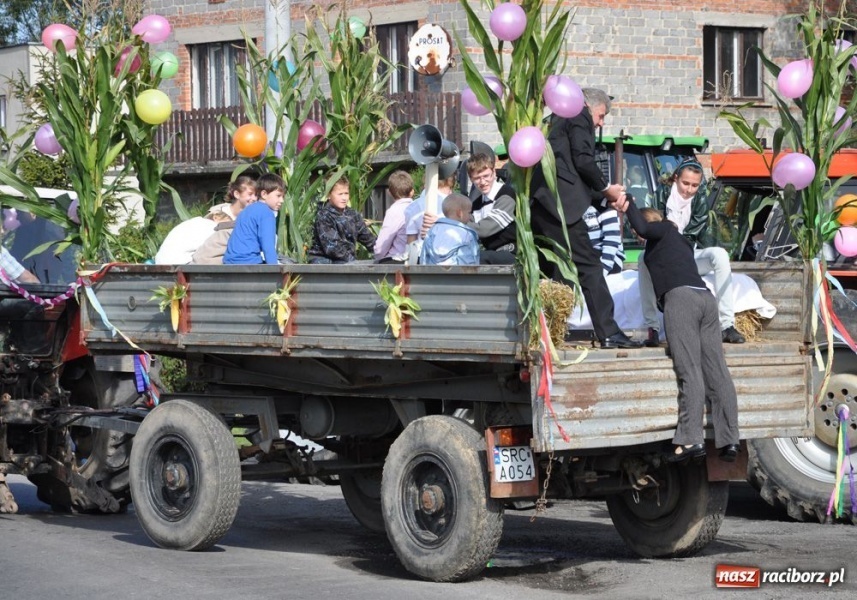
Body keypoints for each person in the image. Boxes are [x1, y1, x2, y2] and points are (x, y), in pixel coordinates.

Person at [623, 202, 740, 463]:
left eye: (635, 229)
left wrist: (627, 201)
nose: (636, 233)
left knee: (689, 371)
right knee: (716, 370)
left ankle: (690, 439)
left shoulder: (662, 230)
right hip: (706, 300)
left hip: (682, 300)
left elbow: (643, 227)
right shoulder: (679, 242)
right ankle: (730, 440)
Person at [530, 87, 641, 349]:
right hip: (559, 207)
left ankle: (548, 332)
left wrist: (605, 198)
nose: (601, 122)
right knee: (590, 267)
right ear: (590, 106)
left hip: (543, 204)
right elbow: (582, 160)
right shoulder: (578, 114)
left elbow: (570, 171)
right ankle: (609, 332)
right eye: (601, 115)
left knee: (555, 269)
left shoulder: (556, 121)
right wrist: (606, 188)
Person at [637, 159, 745, 346]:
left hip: (687, 255)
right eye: (685, 183)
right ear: (676, 179)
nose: (688, 189)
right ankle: (652, 328)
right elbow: (652, 226)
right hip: (664, 255)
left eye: (694, 185)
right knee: (641, 258)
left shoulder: (700, 201)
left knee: (719, 254)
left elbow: (690, 236)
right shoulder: (661, 196)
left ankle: (727, 325)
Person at [307, 176, 376, 264]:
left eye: (346, 193)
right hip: (324, 261)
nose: (344, 198)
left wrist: (383, 251)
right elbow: (332, 247)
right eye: (340, 194)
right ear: (328, 195)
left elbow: (368, 238)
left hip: (346, 261)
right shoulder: (324, 216)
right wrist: (354, 262)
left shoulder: (353, 214)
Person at [223, 173, 286, 265]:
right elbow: (268, 247)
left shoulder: (247, 209)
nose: (282, 201)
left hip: (230, 262)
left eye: (283, 197)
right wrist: (275, 271)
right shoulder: (266, 213)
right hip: (249, 262)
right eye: (278, 196)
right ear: (264, 194)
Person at [466, 153, 517, 265]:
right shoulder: (476, 203)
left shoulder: (506, 195)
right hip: (491, 253)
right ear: (471, 179)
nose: (483, 182)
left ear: (494, 172)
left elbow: (484, 229)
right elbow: (466, 227)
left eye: (486, 176)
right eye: (477, 178)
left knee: (475, 258)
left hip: (512, 253)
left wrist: (459, 224)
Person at [420, 193, 480, 266]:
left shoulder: (433, 230)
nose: (470, 216)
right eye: (469, 212)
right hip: (457, 276)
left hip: (433, 275)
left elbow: (424, 257)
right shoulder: (466, 235)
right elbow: (468, 263)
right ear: (460, 213)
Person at [155, 210, 232, 265]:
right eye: (226, 221)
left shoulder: (193, 223)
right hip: (179, 263)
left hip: (161, 261)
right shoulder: (211, 226)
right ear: (216, 217)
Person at [374, 170, 414, 263]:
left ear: (389, 193)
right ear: (412, 192)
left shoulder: (394, 211)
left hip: (396, 260)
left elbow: (380, 248)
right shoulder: (418, 208)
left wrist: (378, 256)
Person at [582, 204, 624, 275]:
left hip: (608, 259)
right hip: (586, 257)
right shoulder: (574, 207)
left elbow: (612, 239)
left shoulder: (604, 207)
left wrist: (604, 269)